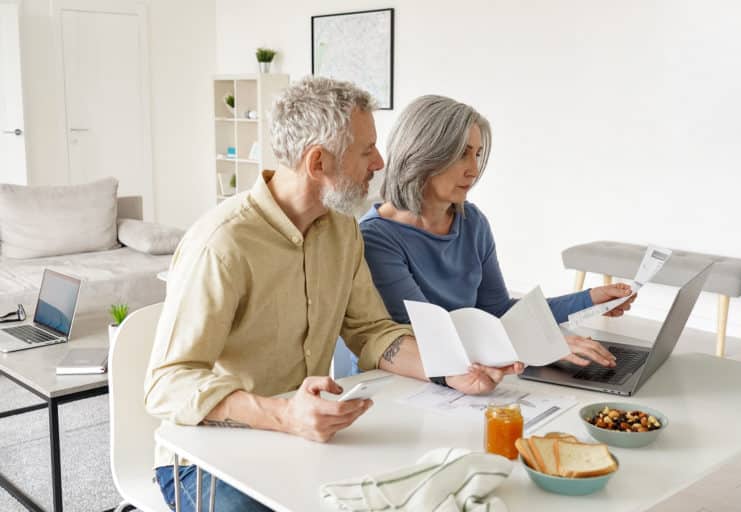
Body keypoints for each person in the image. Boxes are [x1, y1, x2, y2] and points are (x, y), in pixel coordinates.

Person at [144, 79, 518, 512]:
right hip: (206, 458)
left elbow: (373, 332)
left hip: (308, 439)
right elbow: (167, 384)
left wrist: (448, 370)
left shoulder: (342, 231)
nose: (380, 162)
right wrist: (285, 415)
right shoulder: (222, 244)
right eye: (366, 151)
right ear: (318, 162)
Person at [360, 95, 635, 369]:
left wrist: (589, 300)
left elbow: (499, 312)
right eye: (461, 154)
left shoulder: (472, 222)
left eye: (477, 154)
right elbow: (430, 336)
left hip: (463, 375)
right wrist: (541, 343)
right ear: (421, 153)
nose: (474, 170)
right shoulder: (377, 239)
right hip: (398, 384)